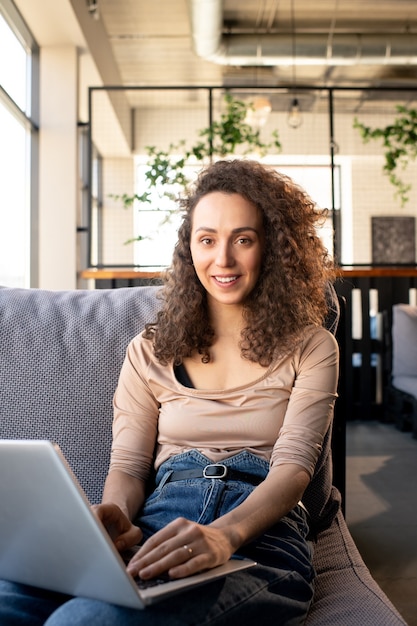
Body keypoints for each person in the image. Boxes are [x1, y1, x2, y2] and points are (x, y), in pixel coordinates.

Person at [0, 159, 339, 625]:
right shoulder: (149, 350)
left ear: (275, 249)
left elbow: (294, 471)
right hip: (158, 524)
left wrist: (223, 536)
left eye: (243, 239)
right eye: (207, 240)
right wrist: (114, 519)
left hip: (261, 536)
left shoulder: (313, 346)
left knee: (85, 620)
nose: (222, 259)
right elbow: (128, 466)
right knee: (9, 599)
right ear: (189, 249)